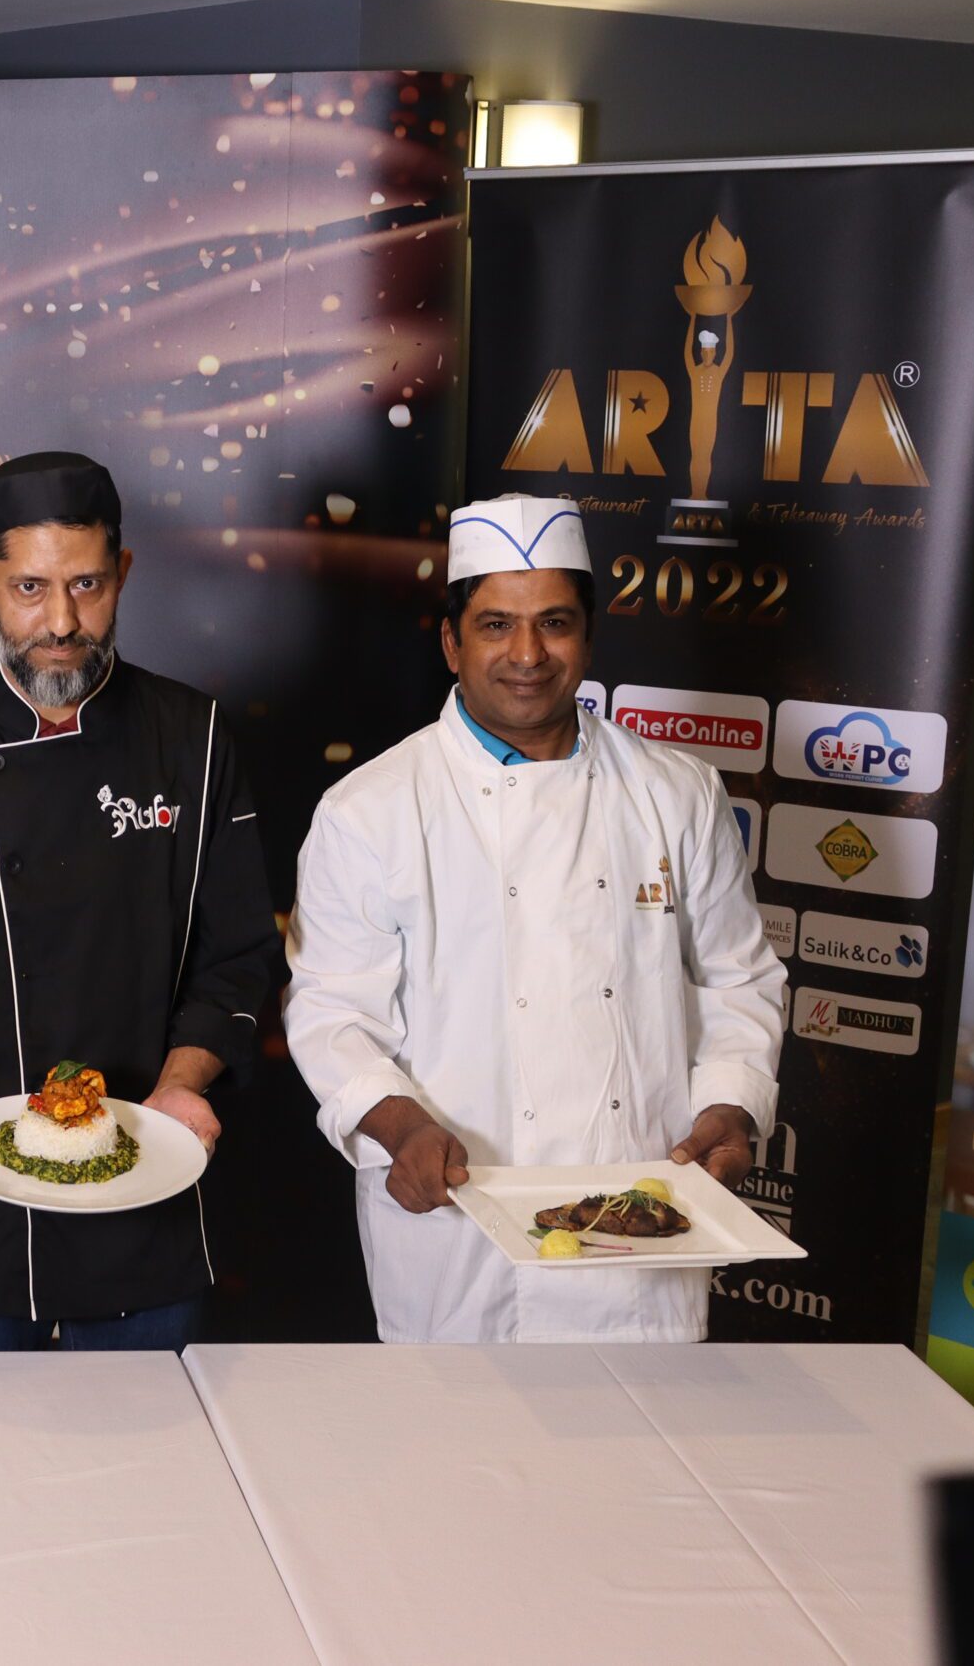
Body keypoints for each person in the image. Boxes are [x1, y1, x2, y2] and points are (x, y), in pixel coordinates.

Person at [284, 493, 785, 1343]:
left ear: (588, 637)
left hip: (642, 1230)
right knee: (459, 1429)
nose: (527, 654)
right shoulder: (369, 810)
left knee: (644, 1432)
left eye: (554, 623)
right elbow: (331, 1012)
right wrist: (398, 1125)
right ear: (452, 642)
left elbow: (739, 980)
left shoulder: (678, 794)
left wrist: (730, 1110)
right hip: (459, 1234)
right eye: (496, 626)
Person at [0, 451, 282, 1352]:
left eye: (87, 585)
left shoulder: (195, 737)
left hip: (147, 1193)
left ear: (124, 575)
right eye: (30, 587)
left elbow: (236, 954)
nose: (62, 621)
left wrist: (183, 1084)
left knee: (147, 1445)